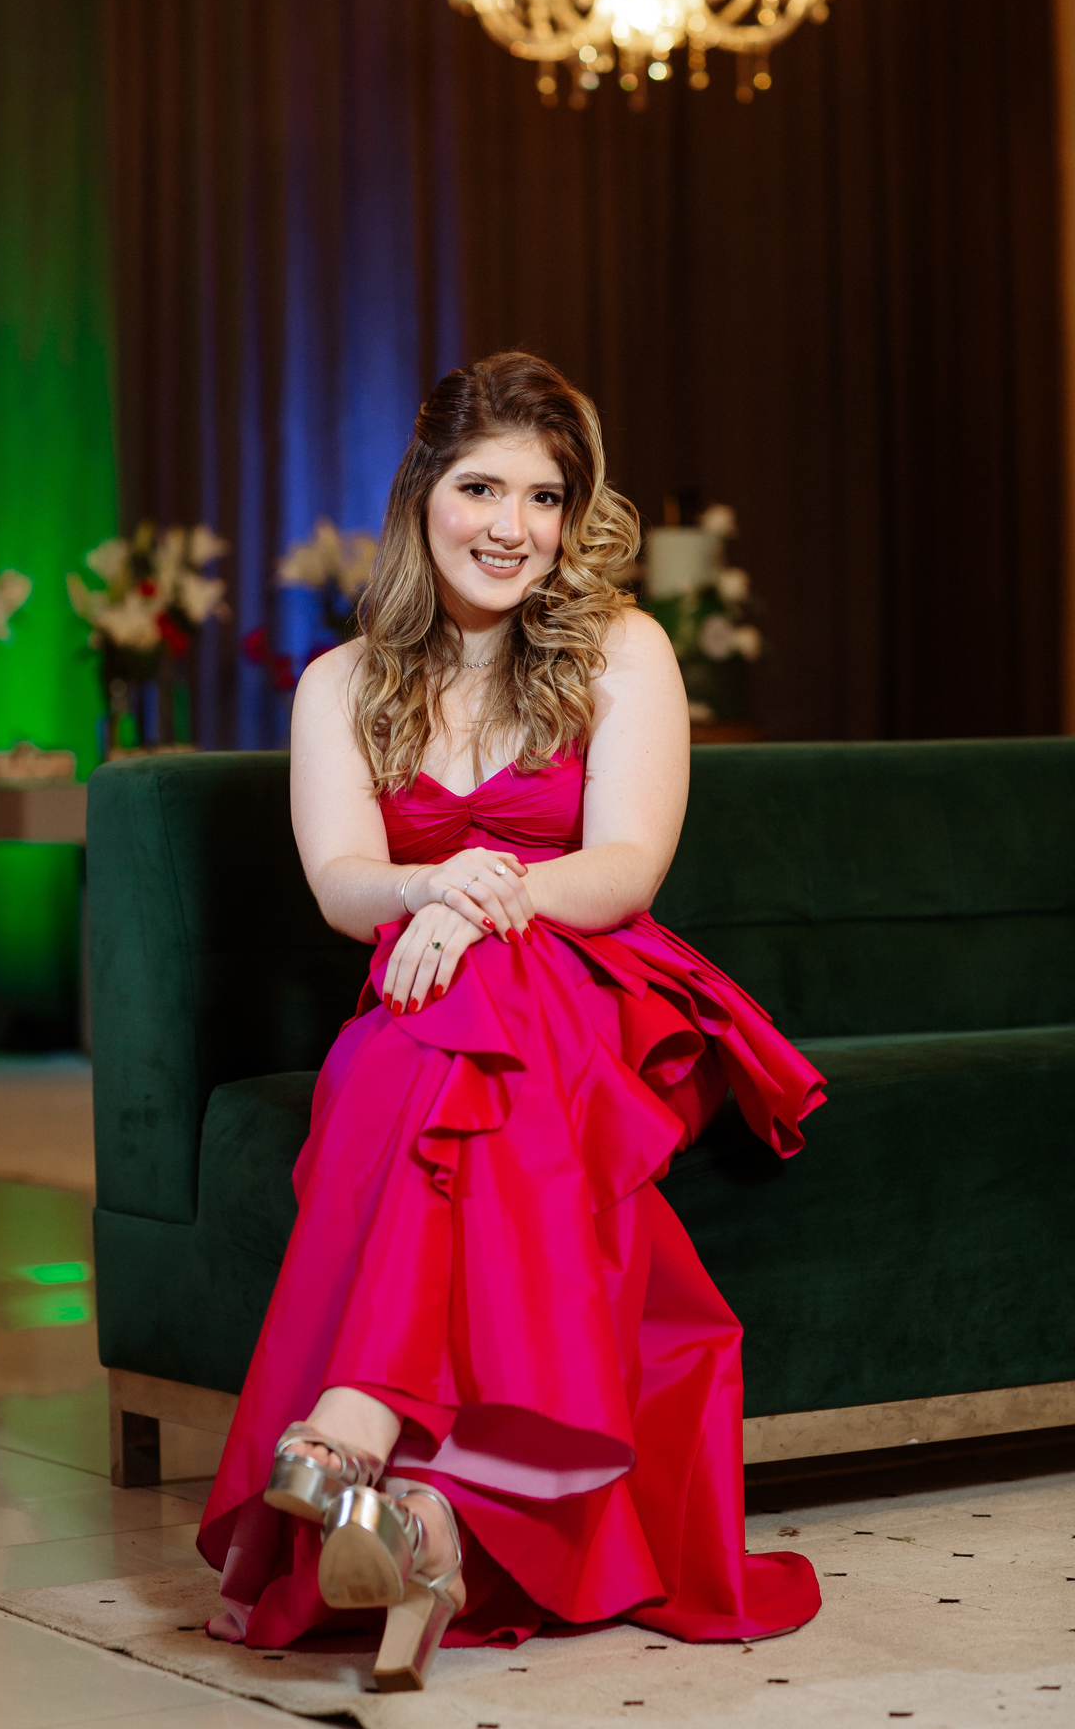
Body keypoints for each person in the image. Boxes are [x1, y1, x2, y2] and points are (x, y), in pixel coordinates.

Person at [198, 352, 826, 1690]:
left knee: (476, 1005)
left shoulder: (624, 649)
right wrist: (429, 888)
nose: (511, 527)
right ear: (421, 493)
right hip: (425, 994)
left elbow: (625, 869)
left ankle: (351, 1424)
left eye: (545, 498)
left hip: (603, 988)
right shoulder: (339, 684)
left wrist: (485, 902)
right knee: (411, 1058)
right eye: (481, 488)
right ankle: (428, 1530)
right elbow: (341, 883)